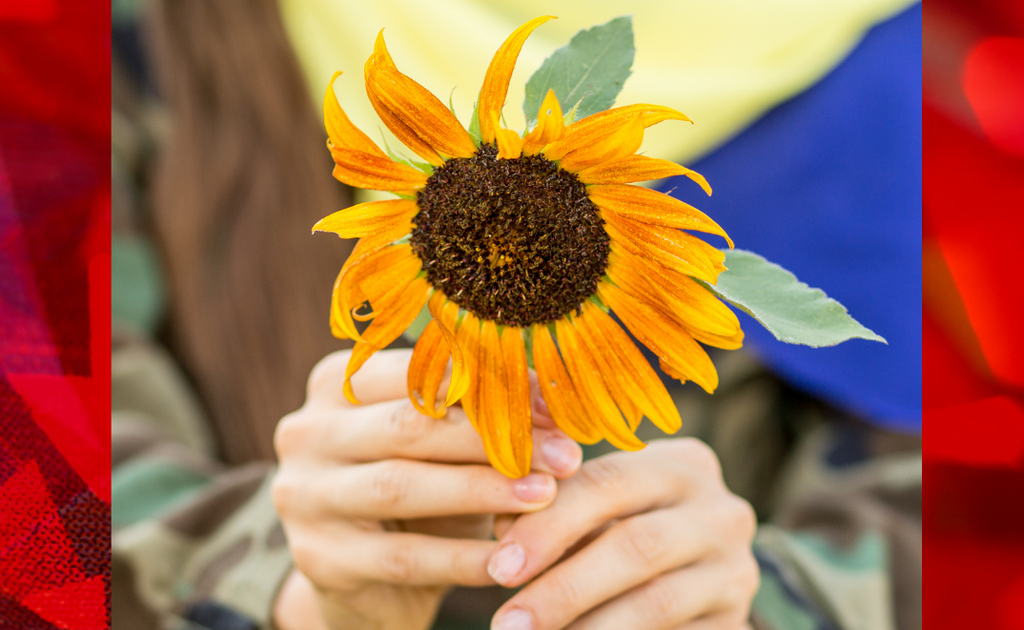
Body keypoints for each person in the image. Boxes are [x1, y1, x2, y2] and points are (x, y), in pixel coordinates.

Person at [111, 1, 921, 629]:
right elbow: (40, 464)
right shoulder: (97, 47)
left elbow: (952, 504)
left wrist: (767, 603)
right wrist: (276, 585)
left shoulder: (904, 66)